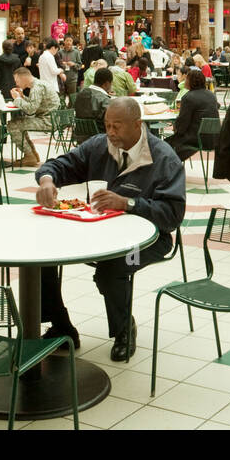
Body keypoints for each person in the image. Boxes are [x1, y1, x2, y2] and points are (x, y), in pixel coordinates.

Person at [35, 97, 185, 359]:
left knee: (113, 267)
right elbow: (61, 164)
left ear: (137, 124)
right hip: (99, 231)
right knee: (41, 253)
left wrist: (127, 203)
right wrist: (47, 180)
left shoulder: (164, 159)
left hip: (148, 240)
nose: (110, 132)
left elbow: (171, 216)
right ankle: (61, 327)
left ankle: (124, 330)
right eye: (107, 125)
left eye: (117, 126)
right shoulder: (98, 146)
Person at [7, 66, 59, 167]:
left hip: (47, 121)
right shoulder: (39, 84)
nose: (16, 83)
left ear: (23, 78)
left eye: (17, 80)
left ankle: (29, 155)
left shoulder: (36, 88)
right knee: (18, 122)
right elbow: (34, 104)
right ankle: (32, 154)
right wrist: (22, 97)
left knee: (13, 125)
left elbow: (30, 110)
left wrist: (17, 99)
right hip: (51, 119)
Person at [165, 68, 219, 161]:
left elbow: (182, 125)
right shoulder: (211, 95)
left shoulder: (188, 98)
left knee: (161, 145)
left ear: (191, 81)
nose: (185, 81)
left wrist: (175, 125)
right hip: (213, 138)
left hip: (195, 140)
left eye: (187, 79)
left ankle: (167, 171)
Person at [73, 67, 113, 142]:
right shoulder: (105, 101)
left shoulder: (80, 94)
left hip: (79, 136)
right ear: (107, 83)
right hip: (99, 139)